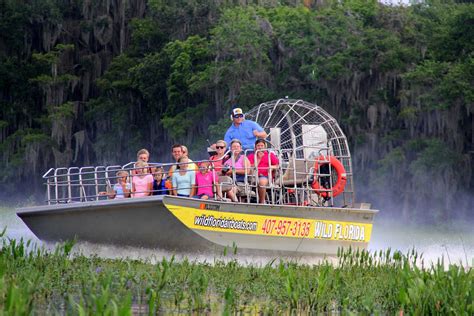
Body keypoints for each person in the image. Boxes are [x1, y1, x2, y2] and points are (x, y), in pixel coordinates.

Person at [248, 139, 279, 204]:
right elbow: (250, 167)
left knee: (261, 182)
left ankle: (261, 202)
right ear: (255, 147)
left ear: (265, 146)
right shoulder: (251, 156)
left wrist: (272, 167)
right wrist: (259, 159)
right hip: (252, 176)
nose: (260, 147)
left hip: (266, 176)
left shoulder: (270, 155)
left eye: (262, 145)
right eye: (258, 145)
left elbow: (278, 165)